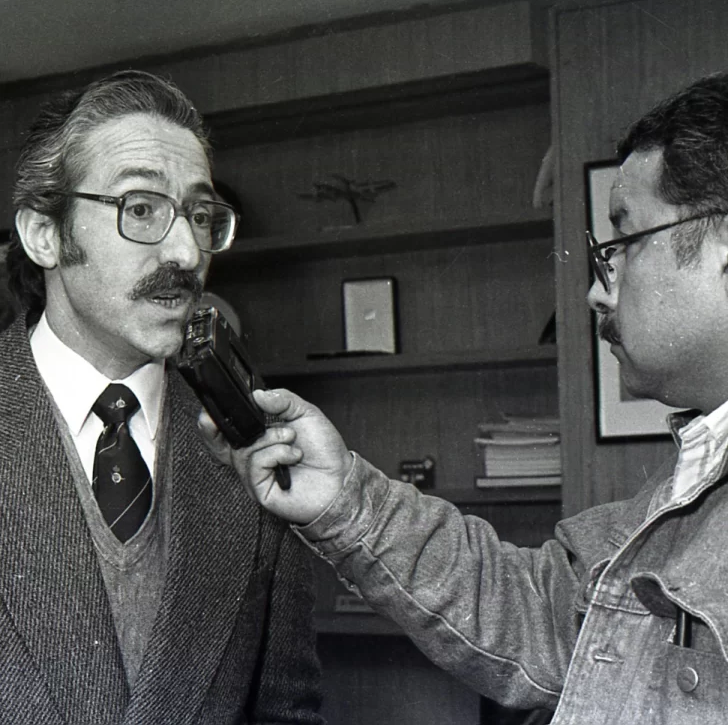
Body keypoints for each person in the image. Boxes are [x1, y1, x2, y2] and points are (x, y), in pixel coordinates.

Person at [204, 71, 728, 724]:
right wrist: (342, 498)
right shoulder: (692, 483)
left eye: (622, 245)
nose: (597, 291)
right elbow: (544, 617)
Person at [1, 70, 323, 724]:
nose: (186, 250)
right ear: (44, 234)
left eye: (200, 216)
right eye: (141, 208)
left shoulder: (257, 444)